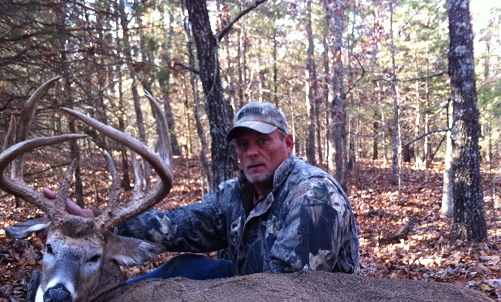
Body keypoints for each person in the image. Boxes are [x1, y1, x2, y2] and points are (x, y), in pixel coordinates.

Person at [50, 101, 360, 280]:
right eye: (243, 144)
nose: (252, 152)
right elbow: (179, 226)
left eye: (262, 141)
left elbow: (290, 289)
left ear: (288, 143)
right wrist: (97, 219)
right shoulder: (235, 193)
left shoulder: (314, 196)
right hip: (251, 294)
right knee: (183, 268)